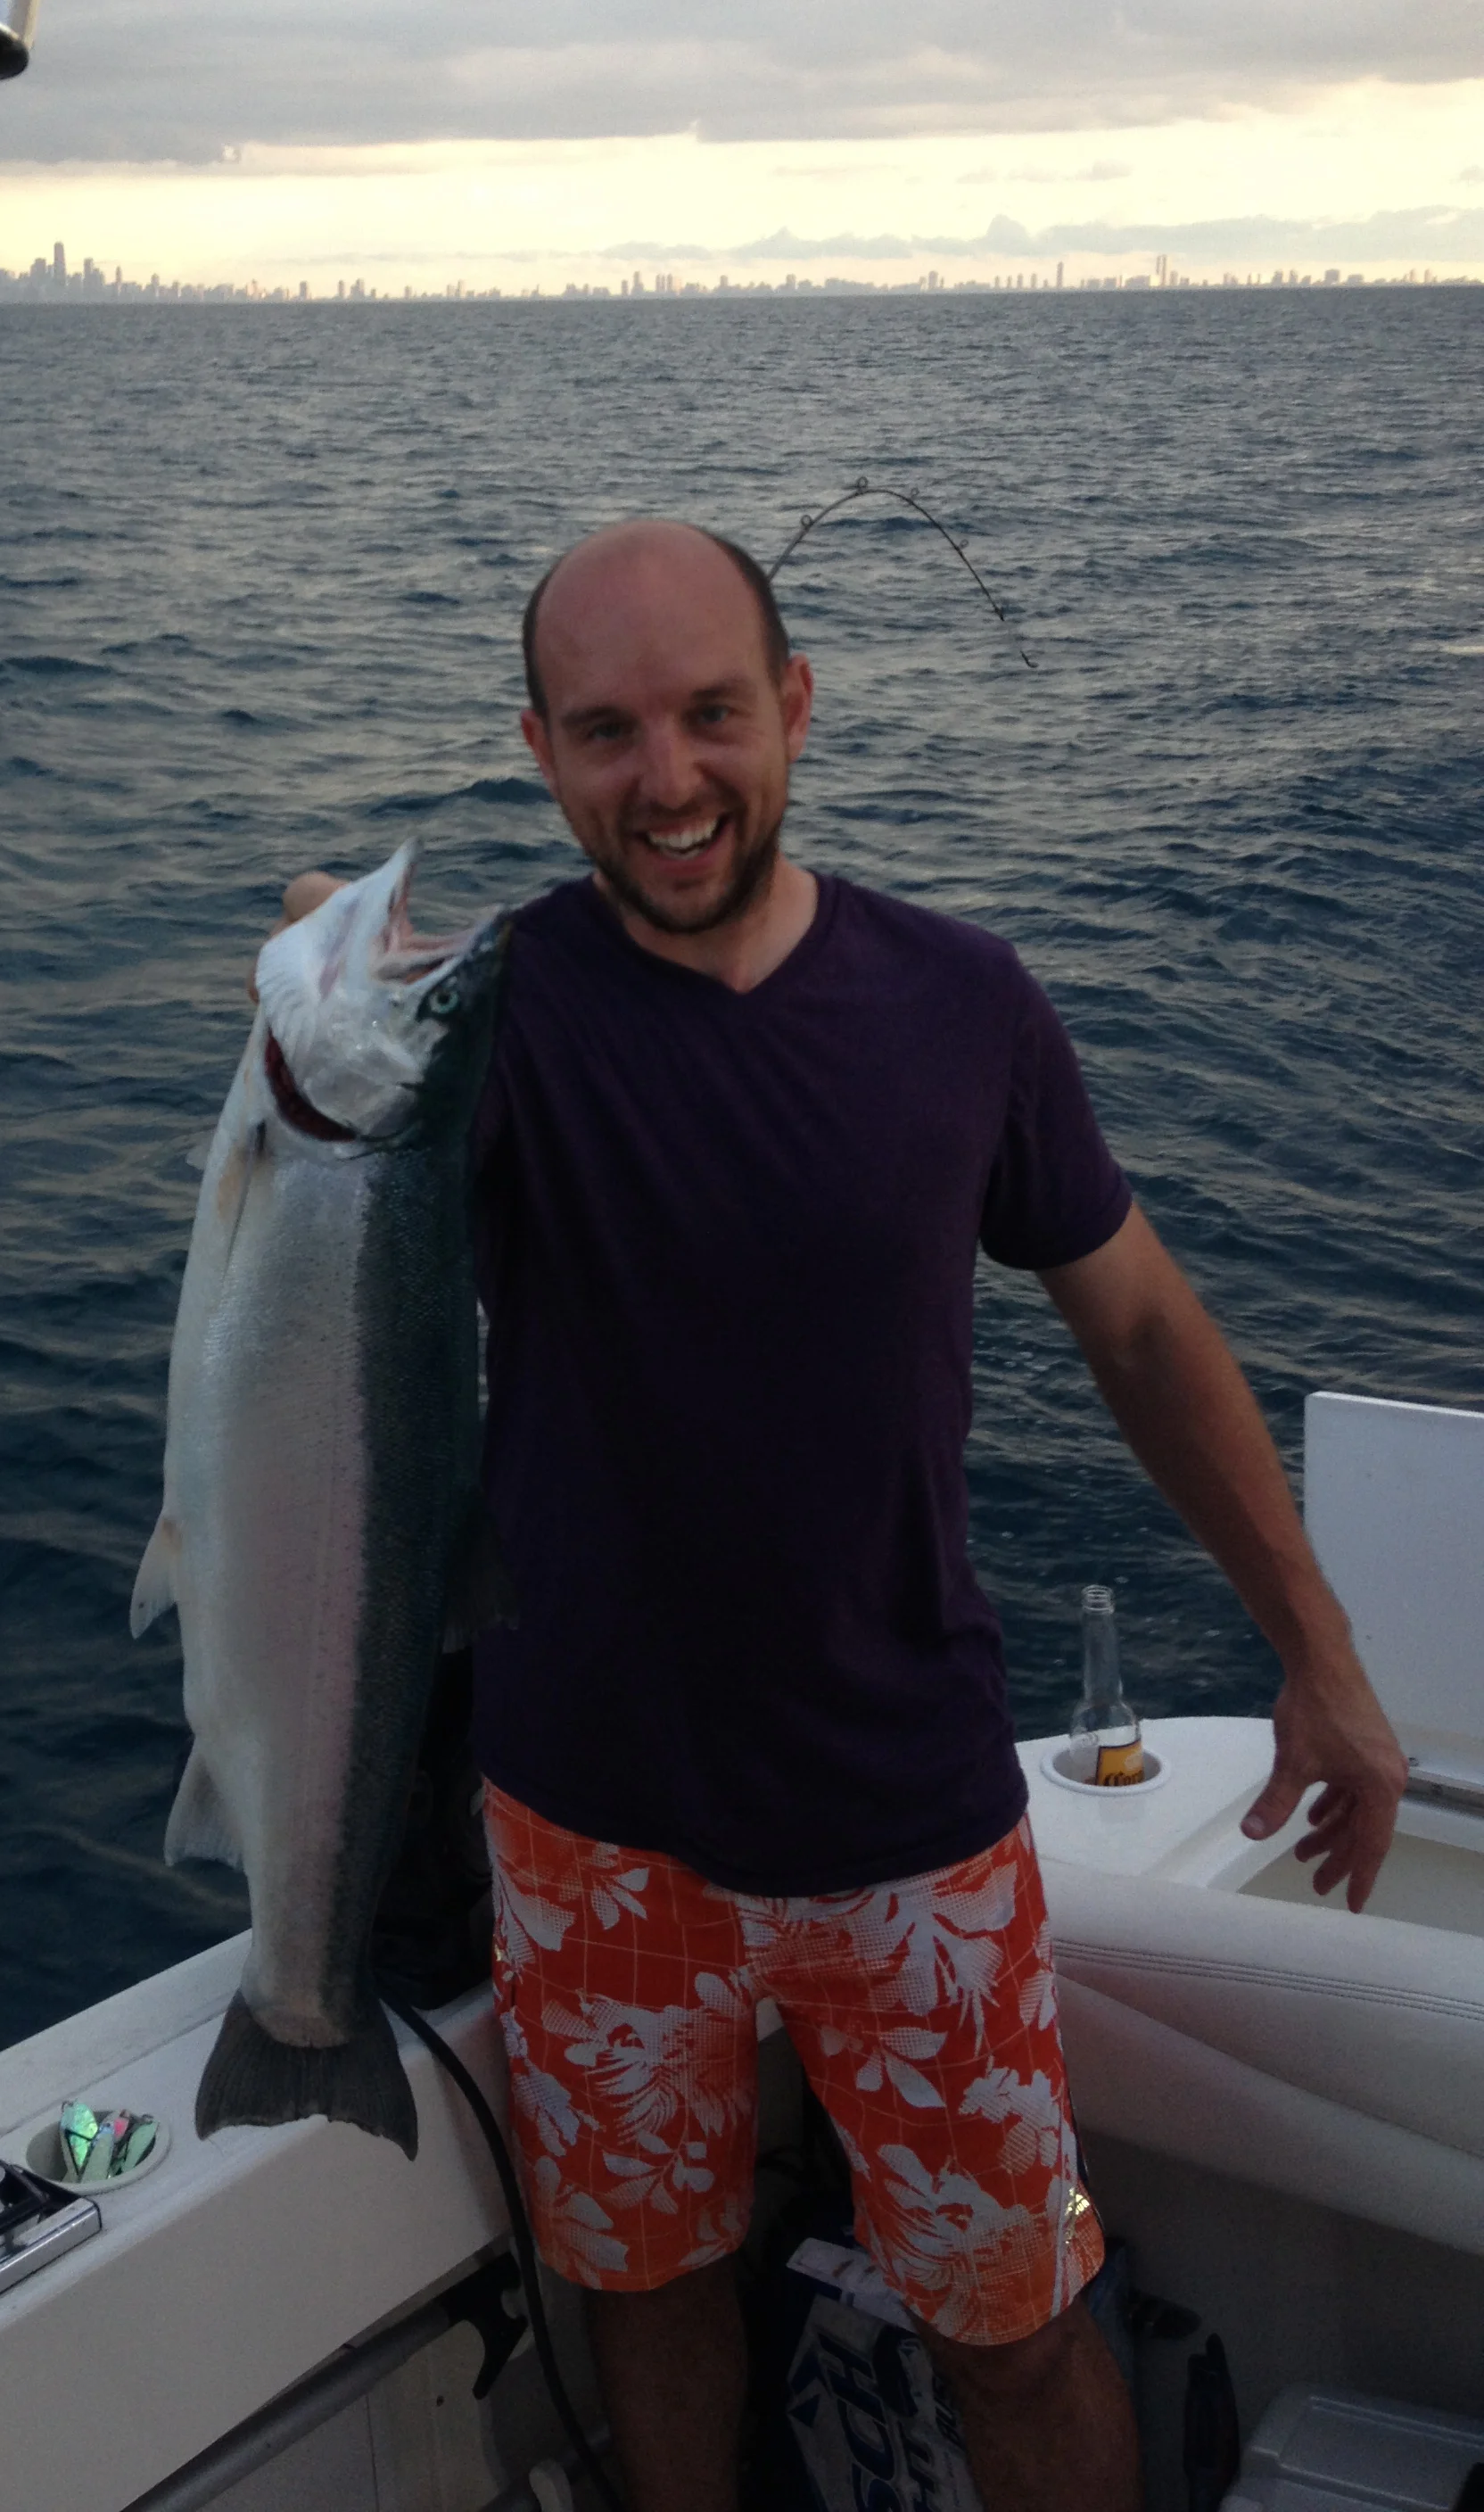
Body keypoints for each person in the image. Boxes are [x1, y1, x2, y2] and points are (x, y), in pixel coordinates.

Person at [279, 517, 1405, 2512]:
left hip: (907, 1829)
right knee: (650, 2290)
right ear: (539, 750)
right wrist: (310, 1016)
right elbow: (329, 1215)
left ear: (794, 707)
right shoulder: (491, 1020)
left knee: (1018, 2319)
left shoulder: (964, 1005)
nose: (671, 777)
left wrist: (1320, 1656)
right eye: (609, 730)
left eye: (713, 712)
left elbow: (1139, 1325)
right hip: (587, 1836)